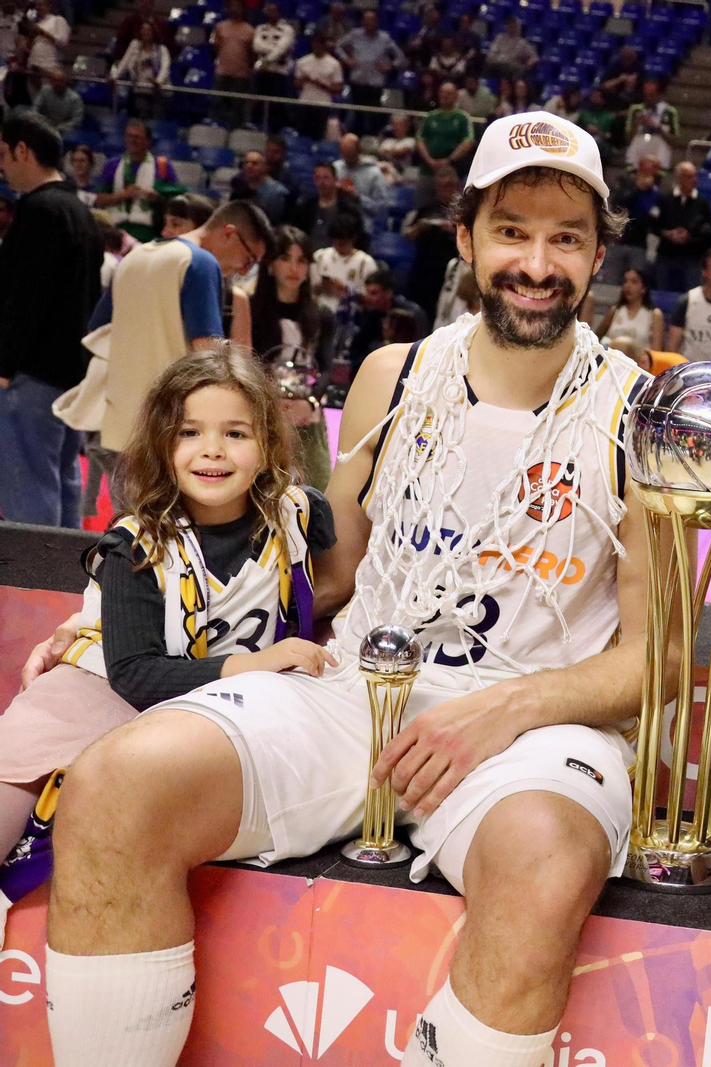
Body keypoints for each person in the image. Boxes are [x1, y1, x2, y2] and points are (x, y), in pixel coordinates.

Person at [38, 109, 664, 1067]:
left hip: (536, 730)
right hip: (357, 691)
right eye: (512, 231)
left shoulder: (640, 416)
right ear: (465, 238)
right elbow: (322, 574)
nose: (537, 263)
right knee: (119, 781)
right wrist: (108, 619)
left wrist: (499, 712)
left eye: (566, 238)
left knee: (545, 858)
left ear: (598, 254)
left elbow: (655, 657)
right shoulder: (391, 376)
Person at [0, 349, 332, 925]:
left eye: (236, 433)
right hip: (101, 691)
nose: (212, 450)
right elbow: (136, 673)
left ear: (269, 447)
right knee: (13, 783)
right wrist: (261, 661)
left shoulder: (300, 516)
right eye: (189, 432)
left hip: (209, 711)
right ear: (161, 446)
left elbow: (340, 580)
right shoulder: (136, 545)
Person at [88, 199, 272, 471]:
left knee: (127, 512)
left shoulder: (133, 258)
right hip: (171, 424)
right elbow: (208, 354)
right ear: (229, 232)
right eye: (249, 259)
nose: (244, 271)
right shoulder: (200, 262)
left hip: (119, 422)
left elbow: (97, 329)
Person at [0, 111, 103, 528]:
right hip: (72, 375)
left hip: (32, 375)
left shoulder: (39, 210)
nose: (2, 167)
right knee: (63, 482)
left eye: (4, 155)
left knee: (29, 489)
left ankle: (30, 592)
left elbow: (25, 298)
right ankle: (64, 589)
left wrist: (3, 368)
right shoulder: (80, 211)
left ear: (23, 150)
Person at [249, 225, 336, 487]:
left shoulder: (322, 315)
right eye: (285, 259)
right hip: (261, 415)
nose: (293, 268)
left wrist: (310, 402)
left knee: (317, 489)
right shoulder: (251, 310)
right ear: (271, 264)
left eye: (301, 260)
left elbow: (326, 367)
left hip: (305, 414)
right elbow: (246, 360)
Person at [94, 118, 184, 243]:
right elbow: (99, 201)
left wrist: (157, 199)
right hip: (115, 232)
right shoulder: (113, 165)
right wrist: (124, 195)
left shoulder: (162, 166)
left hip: (148, 233)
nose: (132, 140)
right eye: (129, 136)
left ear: (147, 141)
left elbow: (176, 203)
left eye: (136, 137)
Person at [401, 163, 462, 316]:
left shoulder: (465, 211)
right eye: (443, 186)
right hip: (425, 269)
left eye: (450, 186)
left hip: (452, 268)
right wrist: (419, 228)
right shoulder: (426, 209)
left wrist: (454, 230)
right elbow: (406, 234)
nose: (447, 190)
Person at [335, 9, 404, 134]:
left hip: (374, 84)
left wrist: (390, 66)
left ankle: (372, 143)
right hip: (357, 82)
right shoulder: (355, 34)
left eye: (371, 20)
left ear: (376, 21)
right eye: (366, 20)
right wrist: (347, 59)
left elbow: (400, 57)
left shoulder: (384, 38)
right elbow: (338, 46)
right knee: (357, 117)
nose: (368, 23)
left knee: (373, 118)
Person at [652, 160, 711, 294]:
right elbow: (654, 224)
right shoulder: (665, 199)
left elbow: (710, 232)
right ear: (679, 178)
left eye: (694, 176)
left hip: (692, 259)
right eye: (688, 176)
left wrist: (689, 237)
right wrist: (667, 234)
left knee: (691, 295)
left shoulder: (703, 203)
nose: (693, 180)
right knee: (662, 293)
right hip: (666, 256)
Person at [351, 267, 428, 368]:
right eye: (367, 292)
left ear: (388, 293)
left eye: (374, 293)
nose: (368, 298)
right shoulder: (370, 313)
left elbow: (420, 349)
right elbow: (357, 349)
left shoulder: (411, 315)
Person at [289, 159, 365, 251]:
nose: (322, 182)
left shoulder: (348, 208)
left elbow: (358, 237)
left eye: (326, 178)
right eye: (318, 178)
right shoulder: (305, 207)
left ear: (335, 180)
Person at [310, 213, 377, 315]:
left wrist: (347, 291)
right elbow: (308, 290)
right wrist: (323, 286)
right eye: (336, 241)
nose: (339, 245)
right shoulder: (319, 256)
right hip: (320, 313)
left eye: (343, 242)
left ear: (353, 238)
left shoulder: (366, 262)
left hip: (351, 316)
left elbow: (372, 301)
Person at [595, 266, 662, 350]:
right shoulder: (614, 311)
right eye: (625, 281)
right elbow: (596, 339)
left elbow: (656, 351)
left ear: (643, 288)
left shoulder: (654, 315)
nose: (628, 286)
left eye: (634, 282)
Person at [251, 1, 297, 127]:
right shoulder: (260, 29)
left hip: (279, 73)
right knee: (259, 104)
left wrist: (265, 59)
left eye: (274, 11)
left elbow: (282, 49)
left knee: (278, 106)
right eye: (268, 11)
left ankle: (277, 131)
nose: (271, 13)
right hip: (263, 72)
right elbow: (256, 46)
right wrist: (273, 51)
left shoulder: (287, 30)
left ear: (278, 12)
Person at [417, 81, 476, 177]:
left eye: (449, 93)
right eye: (442, 92)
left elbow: (468, 142)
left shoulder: (463, 117)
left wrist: (449, 160)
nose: (445, 95)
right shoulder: (429, 117)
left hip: (453, 169)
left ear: (456, 96)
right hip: (428, 169)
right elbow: (420, 140)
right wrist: (429, 160)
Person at [334, 130, 391, 230]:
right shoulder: (335, 168)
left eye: (350, 155)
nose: (348, 159)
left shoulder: (374, 172)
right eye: (345, 155)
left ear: (358, 151)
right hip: (336, 219)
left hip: (363, 223)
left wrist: (358, 197)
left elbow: (381, 208)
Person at [292, 33, 344, 139]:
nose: (317, 47)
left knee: (319, 135)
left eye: (319, 44)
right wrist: (304, 80)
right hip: (305, 102)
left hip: (322, 104)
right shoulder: (302, 62)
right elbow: (296, 84)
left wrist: (319, 84)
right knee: (302, 134)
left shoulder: (334, 64)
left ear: (324, 45)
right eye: (314, 44)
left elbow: (338, 88)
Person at [624, 78, 678, 169]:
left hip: (659, 149)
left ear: (659, 94)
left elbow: (675, 140)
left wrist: (658, 128)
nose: (649, 98)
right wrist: (636, 123)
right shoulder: (635, 110)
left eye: (652, 95)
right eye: (646, 95)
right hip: (639, 148)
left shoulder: (669, 112)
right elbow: (627, 138)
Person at [229, 149, 289, 224]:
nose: (249, 166)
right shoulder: (239, 187)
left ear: (265, 167)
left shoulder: (277, 192)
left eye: (255, 163)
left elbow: (275, 222)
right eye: (246, 163)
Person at [31, 65, 82, 131]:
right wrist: (36, 120)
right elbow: (36, 107)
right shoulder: (44, 91)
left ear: (65, 82)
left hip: (64, 130)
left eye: (60, 81)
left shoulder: (75, 98)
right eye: (55, 80)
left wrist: (59, 128)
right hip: (45, 126)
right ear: (50, 81)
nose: (57, 84)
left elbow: (76, 120)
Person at [484, 16, 536, 81]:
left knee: (516, 69)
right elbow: (492, 51)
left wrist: (529, 63)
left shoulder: (522, 43)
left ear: (518, 27)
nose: (511, 27)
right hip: (497, 63)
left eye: (514, 25)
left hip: (510, 65)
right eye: (510, 25)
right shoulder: (499, 38)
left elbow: (534, 57)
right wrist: (491, 58)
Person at [379, 111, 417, 177]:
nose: (396, 127)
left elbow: (400, 153)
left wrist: (388, 152)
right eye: (394, 124)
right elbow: (380, 153)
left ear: (406, 127)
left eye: (399, 124)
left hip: (405, 174)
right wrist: (393, 151)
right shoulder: (388, 141)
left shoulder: (411, 141)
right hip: (387, 174)